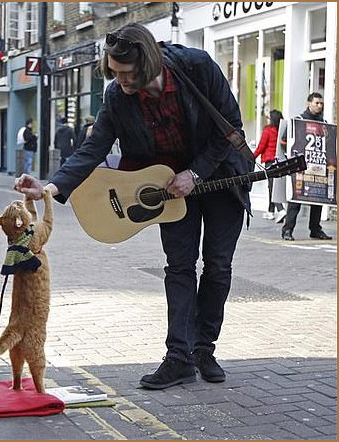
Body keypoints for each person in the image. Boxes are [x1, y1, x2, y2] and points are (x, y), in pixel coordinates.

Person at [14, 23, 253, 390]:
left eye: (126, 73)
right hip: (167, 189)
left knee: (218, 266)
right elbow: (93, 149)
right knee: (179, 268)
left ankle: (204, 349)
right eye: (113, 72)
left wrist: (195, 173)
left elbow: (231, 129)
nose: (120, 80)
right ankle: (179, 358)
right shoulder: (117, 96)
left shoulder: (197, 67)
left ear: (149, 62)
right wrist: (48, 188)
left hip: (220, 177)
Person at [281, 93, 332, 241]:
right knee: (295, 199)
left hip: (318, 166)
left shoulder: (325, 124)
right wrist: (291, 158)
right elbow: (284, 142)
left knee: (318, 198)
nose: (319, 106)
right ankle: (287, 230)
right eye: (317, 103)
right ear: (308, 103)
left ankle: (315, 229)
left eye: (321, 103)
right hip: (300, 167)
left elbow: (328, 145)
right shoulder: (298, 121)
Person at [254, 109, 286, 221]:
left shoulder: (268, 130)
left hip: (269, 161)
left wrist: (252, 157)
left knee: (272, 187)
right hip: (280, 160)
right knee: (272, 186)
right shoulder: (282, 130)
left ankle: (281, 210)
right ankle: (270, 211)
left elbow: (261, 146)